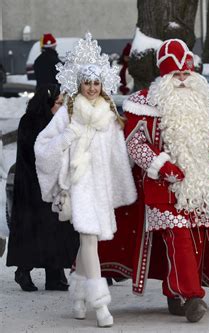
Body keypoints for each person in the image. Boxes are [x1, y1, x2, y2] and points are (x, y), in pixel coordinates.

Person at [98, 38, 209, 323]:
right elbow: (135, 144)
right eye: (176, 75)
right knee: (179, 238)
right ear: (163, 75)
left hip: (199, 187)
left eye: (186, 74)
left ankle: (174, 291)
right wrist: (162, 165)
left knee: (195, 241)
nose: (182, 80)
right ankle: (193, 296)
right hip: (161, 186)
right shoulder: (143, 103)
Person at [34, 33, 137, 328]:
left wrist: (122, 186)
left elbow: (120, 156)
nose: (91, 88)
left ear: (102, 85)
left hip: (100, 188)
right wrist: (68, 137)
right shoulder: (67, 115)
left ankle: (77, 295)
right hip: (78, 186)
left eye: (96, 83)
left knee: (87, 241)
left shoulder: (110, 116)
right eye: (86, 83)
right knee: (90, 239)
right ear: (78, 84)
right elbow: (42, 146)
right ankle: (100, 304)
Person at [6, 84, 79, 292]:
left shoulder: (52, 121)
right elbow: (35, 152)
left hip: (48, 184)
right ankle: (23, 270)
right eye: (58, 103)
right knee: (34, 231)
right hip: (31, 186)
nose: (61, 107)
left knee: (54, 230)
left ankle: (54, 276)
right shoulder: (31, 121)